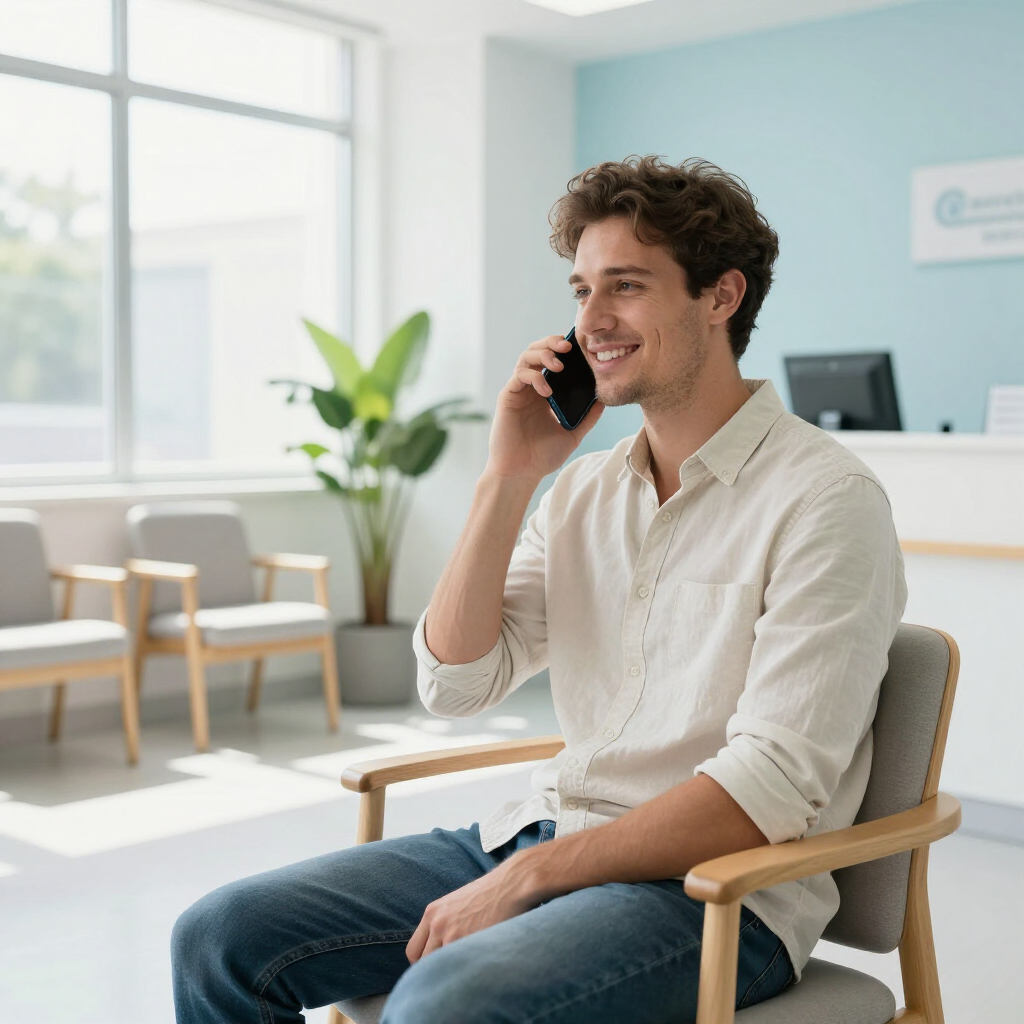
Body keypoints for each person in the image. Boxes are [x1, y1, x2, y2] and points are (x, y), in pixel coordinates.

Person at [171, 156, 907, 1024]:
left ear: (721, 297)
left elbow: (765, 793)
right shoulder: (584, 491)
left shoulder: (826, 501)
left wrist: (531, 877)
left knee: (446, 1002)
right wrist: (508, 475)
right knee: (218, 936)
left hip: (709, 897)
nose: (590, 322)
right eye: (581, 290)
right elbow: (455, 683)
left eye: (625, 287)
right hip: (547, 836)